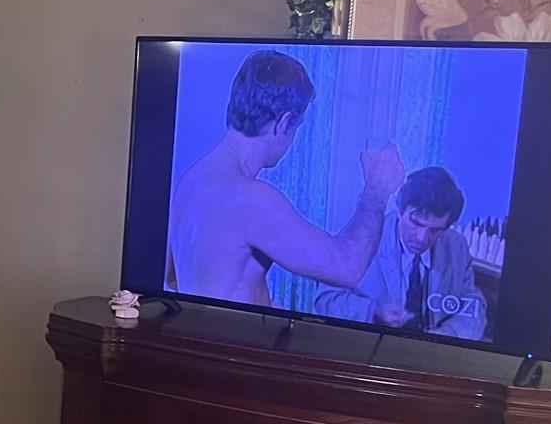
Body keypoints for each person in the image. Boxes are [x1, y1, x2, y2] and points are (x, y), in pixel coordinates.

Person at [168, 50, 404, 306]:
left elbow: (173, 277)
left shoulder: (192, 180)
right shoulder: (250, 199)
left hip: (198, 338)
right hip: (233, 345)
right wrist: (376, 191)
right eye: (297, 126)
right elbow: (347, 267)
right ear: (284, 122)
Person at [313, 166, 486, 340]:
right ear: (400, 209)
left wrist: (452, 332)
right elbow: (325, 299)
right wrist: (373, 311)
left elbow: (473, 304)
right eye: (416, 223)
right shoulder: (363, 237)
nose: (422, 238)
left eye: (435, 230)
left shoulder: (457, 246)